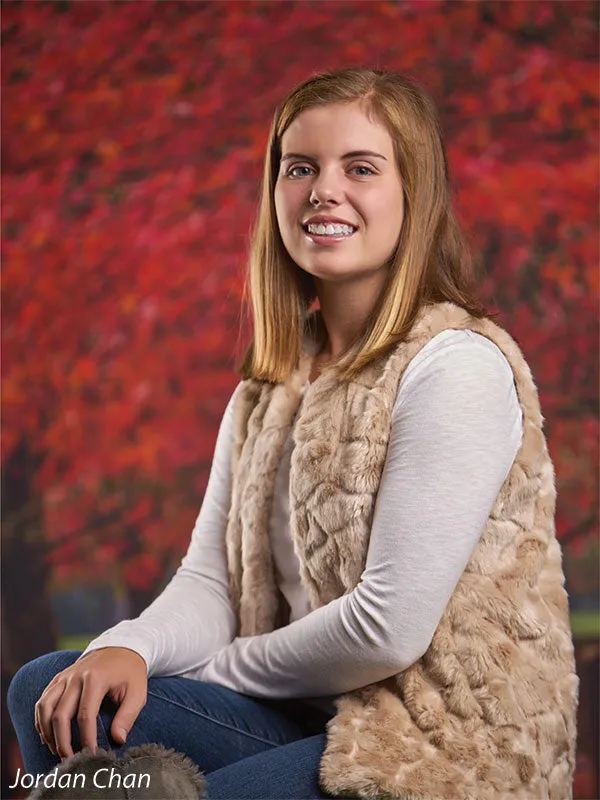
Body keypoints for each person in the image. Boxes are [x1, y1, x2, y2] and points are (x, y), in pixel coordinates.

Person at [8, 67, 579, 800]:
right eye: (300, 167)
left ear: (416, 194)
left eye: (361, 168)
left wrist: (204, 673)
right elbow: (211, 581)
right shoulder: (266, 391)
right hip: (301, 717)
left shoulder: (455, 366)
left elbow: (387, 627)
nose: (322, 191)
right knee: (52, 689)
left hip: (441, 744)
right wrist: (129, 648)